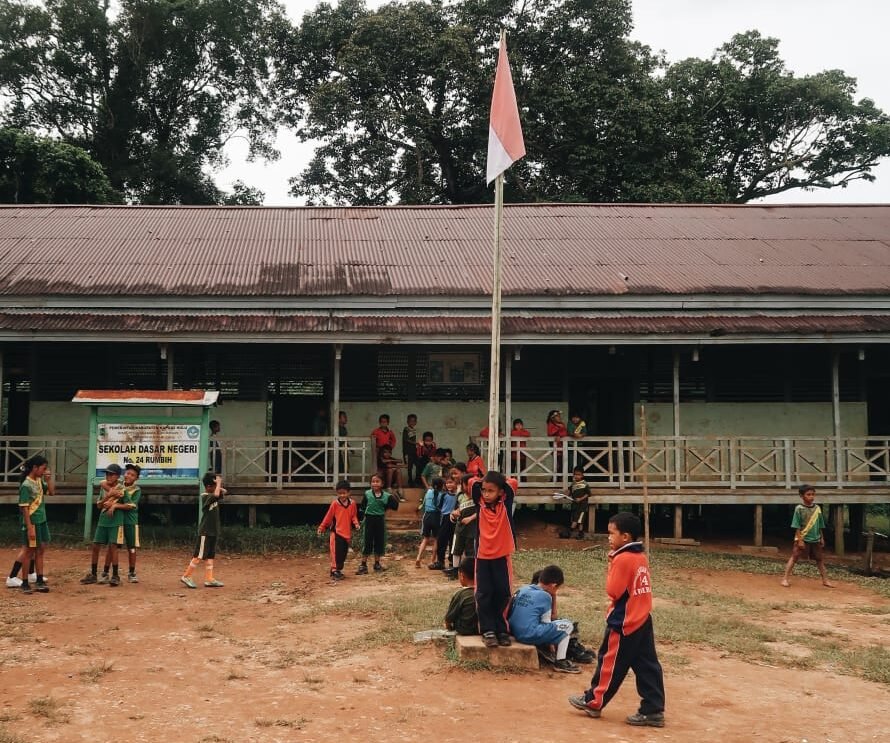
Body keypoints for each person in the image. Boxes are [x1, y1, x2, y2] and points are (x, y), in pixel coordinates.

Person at [568, 511, 666, 728]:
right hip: (643, 618)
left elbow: (613, 591)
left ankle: (594, 701)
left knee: (609, 662)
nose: (609, 538)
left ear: (626, 537)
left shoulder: (622, 558)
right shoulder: (641, 556)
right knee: (647, 665)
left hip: (625, 622)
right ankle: (653, 709)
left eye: (612, 533)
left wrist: (612, 563)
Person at [472, 471, 518, 648]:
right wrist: (484, 481)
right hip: (482, 557)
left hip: (502, 557)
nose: (486, 494)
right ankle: (487, 630)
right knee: (484, 593)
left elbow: (512, 483)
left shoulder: (505, 505)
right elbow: (473, 484)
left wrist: (500, 482)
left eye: (491, 491)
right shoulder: (479, 504)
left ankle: (501, 629)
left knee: (503, 592)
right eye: (484, 490)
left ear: (501, 492)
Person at [508, 565, 581, 673]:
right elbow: (546, 622)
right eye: (557, 588)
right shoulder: (545, 596)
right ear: (553, 585)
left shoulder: (523, 589)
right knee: (568, 625)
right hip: (527, 635)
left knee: (559, 624)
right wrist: (551, 644)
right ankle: (561, 661)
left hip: (513, 631)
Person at [9, 455, 52, 594]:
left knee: (40, 549)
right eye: (43, 468)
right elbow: (25, 508)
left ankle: (39, 579)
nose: (44, 471)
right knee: (29, 551)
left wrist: (48, 479)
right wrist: (29, 527)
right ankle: (25, 581)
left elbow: (51, 492)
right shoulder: (26, 485)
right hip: (32, 522)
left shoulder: (39, 480)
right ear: (35, 468)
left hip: (42, 520)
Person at [80, 463, 126, 587]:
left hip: (116, 520)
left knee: (113, 547)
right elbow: (99, 505)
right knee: (95, 545)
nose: (108, 476)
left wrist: (112, 501)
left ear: (117, 476)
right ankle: (93, 573)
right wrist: (107, 497)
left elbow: (121, 496)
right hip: (103, 519)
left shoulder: (121, 486)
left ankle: (115, 575)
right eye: (107, 474)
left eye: (111, 474)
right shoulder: (104, 487)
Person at [781, 484, 833, 588]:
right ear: (802, 496)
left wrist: (821, 537)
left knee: (819, 559)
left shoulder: (817, 508)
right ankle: (785, 578)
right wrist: (800, 540)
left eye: (813, 494)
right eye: (808, 494)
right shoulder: (799, 509)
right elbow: (796, 526)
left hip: (815, 538)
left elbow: (820, 525)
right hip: (803, 537)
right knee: (794, 557)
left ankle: (825, 580)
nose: (811, 497)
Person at [180, 472, 226, 589]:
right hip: (205, 532)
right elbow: (216, 495)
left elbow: (224, 492)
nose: (217, 488)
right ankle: (187, 575)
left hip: (213, 531)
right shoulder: (205, 496)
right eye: (214, 486)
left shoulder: (213, 493)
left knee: (210, 556)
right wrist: (218, 482)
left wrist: (217, 484)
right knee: (198, 555)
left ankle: (209, 579)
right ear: (209, 487)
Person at [318, 480, 360, 581]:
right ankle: (334, 570)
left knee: (343, 553)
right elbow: (328, 516)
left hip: (347, 533)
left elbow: (353, 516)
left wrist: (356, 523)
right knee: (335, 552)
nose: (342, 495)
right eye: (339, 493)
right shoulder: (335, 504)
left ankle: (338, 570)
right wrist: (322, 527)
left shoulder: (352, 503)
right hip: (336, 533)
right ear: (337, 493)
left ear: (349, 493)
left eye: (344, 493)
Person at [357, 473, 399, 574]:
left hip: (380, 520)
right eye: (373, 481)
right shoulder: (367, 494)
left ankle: (377, 564)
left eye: (377, 481)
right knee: (367, 541)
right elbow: (362, 508)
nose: (375, 483)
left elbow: (395, 506)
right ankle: (363, 565)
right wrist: (360, 520)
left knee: (379, 541)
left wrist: (393, 495)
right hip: (369, 520)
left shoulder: (387, 496)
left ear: (382, 484)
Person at [443, 473, 478, 578]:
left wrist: (471, 518)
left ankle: (470, 572)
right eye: (465, 484)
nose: (467, 487)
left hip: (472, 529)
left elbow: (482, 511)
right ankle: (455, 570)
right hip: (460, 527)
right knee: (456, 549)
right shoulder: (460, 496)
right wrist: (453, 514)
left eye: (469, 484)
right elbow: (455, 509)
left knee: (470, 551)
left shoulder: (477, 497)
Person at [116, 464, 142, 583]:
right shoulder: (118, 485)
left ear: (136, 478)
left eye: (132, 475)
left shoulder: (137, 490)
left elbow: (131, 506)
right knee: (114, 546)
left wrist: (116, 505)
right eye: (127, 473)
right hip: (118, 520)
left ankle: (132, 572)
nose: (128, 476)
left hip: (131, 521)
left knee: (132, 548)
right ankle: (110, 572)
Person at [444, 557, 479, 636]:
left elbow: (448, 620)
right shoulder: (484, 592)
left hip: (464, 629)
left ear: (462, 576)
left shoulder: (461, 594)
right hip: (482, 628)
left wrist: (449, 627)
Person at [430, 476, 459, 570]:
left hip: (455, 518)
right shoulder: (443, 495)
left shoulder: (459, 496)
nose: (449, 485)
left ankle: (452, 562)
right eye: (447, 483)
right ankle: (440, 561)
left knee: (453, 541)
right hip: (445, 518)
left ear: (456, 483)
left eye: (451, 482)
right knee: (442, 540)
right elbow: (439, 506)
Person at [416, 476, 445, 568]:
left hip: (427, 516)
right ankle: (432, 560)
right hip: (436, 516)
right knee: (436, 539)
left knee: (425, 539)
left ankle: (418, 558)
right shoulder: (441, 495)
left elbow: (423, 504)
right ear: (442, 486)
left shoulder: (428, 492)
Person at [563, 466, 591, 540]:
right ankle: (577, 533)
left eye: (578, 474)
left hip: (582, 505)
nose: (576, 476)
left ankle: (571, 532)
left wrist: (580, 499)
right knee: (576, 518)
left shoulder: (585, 484)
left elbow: (588, 494)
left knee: (579, 520)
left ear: (582, 475)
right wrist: (566, 494)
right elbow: (570, 491)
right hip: (575, 504)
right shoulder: (573, 484)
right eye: (575, 474)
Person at [547, 410, 568, 480]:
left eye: (559, 416)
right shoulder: (551, 424)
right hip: (555, 448)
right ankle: (554, 480)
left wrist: (559, 434)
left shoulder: (562, 424)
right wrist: (558, 433)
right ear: (552, 418)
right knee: (558, 465)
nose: (559, 417)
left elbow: (564, 433)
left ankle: (558, 479)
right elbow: (551, 433)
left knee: (562, 464)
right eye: (557, 416)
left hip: (563, 447)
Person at [402, 414, 420, 486]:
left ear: (416, 422)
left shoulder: (414, 430)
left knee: (418, 465)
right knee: (409, 467)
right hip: (407, 451)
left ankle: (416, 480)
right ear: (407, 422)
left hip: (414, 451)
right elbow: (406, 439)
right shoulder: (406, 429)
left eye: (413, 421)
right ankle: (410, 481)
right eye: (410, 421)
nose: (412, 423)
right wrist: (415, 443)